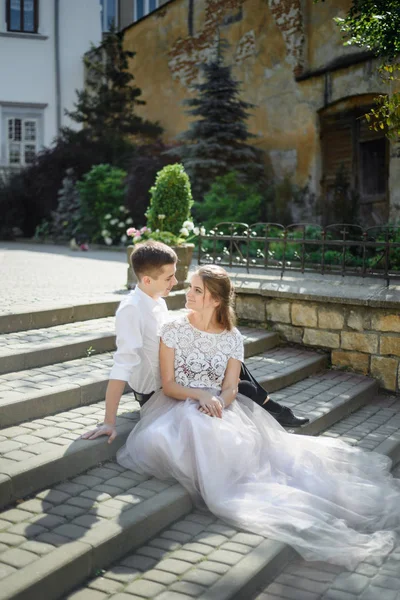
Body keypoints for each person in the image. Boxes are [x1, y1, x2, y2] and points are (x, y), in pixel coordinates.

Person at [116, 264, 400, 569]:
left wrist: (220, 404)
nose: (189, 293)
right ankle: (224, 482)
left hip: (220, 404)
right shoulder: (172, 330)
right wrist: (201, 396)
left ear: (215, 300)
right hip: (179, 403)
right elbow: (170, 385)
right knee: (196, 425)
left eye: (198, 290)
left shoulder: (232, 337)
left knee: (226, 431)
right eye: (191, 287)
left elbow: (231, 387)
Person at [82, 241, 307, 446]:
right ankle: (273, 407)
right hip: (159, 392)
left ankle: (270, 405)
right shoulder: (131, 309)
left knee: (227, 348)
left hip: (179, 374)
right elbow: (122, 365)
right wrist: (109, 422)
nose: (176, 282)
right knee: (236, 372)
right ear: (148, 280)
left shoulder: (157, 300)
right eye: (169, 277)